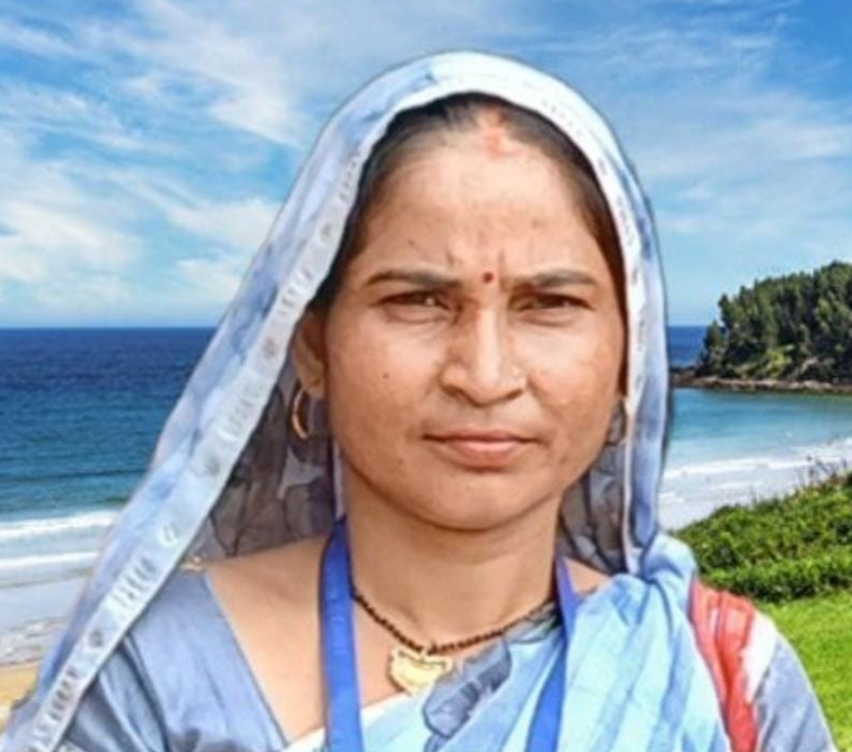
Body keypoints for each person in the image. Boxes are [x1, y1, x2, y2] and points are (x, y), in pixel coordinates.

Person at [1, 52, 835, 752]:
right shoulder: (154, 683)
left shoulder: (721, 681)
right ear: (313, 347)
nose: (485, 373)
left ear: (628, 358)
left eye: (550, 303)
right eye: (418, 300)